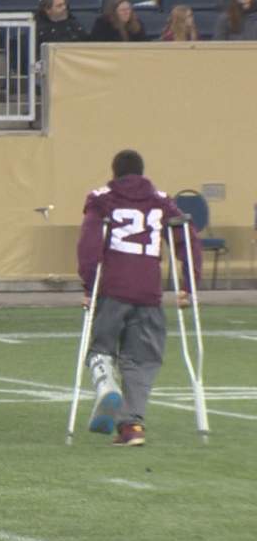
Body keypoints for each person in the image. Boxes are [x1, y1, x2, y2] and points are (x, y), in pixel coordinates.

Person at [76, 149, 201, 446]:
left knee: (101, 349)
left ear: (115, 172)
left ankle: (107, 386)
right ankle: (132, 425)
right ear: (142, 173)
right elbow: (187, 236)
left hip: (113, 289)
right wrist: (189, 283)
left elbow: (89, 244)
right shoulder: (161, 200)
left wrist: (89, 285)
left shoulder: (101, 198)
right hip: (149, 292)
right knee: (141, 359)